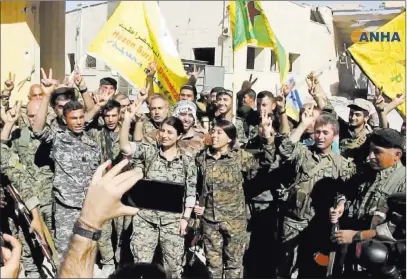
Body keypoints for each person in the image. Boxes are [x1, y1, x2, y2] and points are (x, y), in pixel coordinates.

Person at [277, 111, 356, 278]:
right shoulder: (303, 152)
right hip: (294, 221)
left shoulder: (341, 164)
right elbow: (284, 149)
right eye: (317, 132)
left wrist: (341, 204)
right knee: (285, 265)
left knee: (313, 268)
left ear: (334, 136)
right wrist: (303, 125)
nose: (320, 136)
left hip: (319, 225)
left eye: (325, 133)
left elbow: (347, 191)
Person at [33, 69, 102, 259]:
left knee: (87, 254)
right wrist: (46, 96)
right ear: (65, 119)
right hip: (65, 207)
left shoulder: (92, 144)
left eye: (81, 117)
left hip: (88, 209)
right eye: (74, 118)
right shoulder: (58, 137)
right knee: (65, 255)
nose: (79, 122)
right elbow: (38, 130)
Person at [120, 115, 197, 278]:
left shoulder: (187, 161)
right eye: (162, 130)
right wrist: (127, 119)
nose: (164, 135)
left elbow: (191, 190)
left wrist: (185, 219)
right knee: (141, 266)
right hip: (146, 220)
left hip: (173, 222)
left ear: (179, 136)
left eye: (170, 132)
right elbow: (125, 147)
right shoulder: (149, 152)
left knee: (173, 268)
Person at [193, 119, 272, 278]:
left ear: (230, 138)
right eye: (213, 131)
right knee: (212, 267)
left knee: (233, 265)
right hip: (210, 221)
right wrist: (197, 204)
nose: (214, 135)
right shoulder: (202, 157)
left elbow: (265, 162)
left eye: (219, 132)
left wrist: (268, 138)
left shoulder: (240, 156)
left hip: (234, 221)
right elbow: (196, 185)